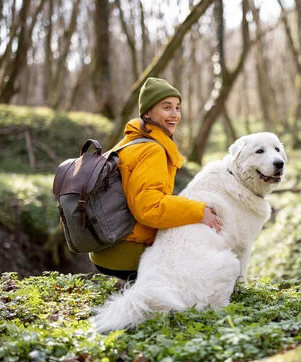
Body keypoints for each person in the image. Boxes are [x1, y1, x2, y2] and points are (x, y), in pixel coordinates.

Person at [89, 77, 222, 280]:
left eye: (177, 107)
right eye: (166, 107)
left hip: (105, 247)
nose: (175, 115)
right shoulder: (152, 149)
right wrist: (199, 211)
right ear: (148, 112)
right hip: (126, 252)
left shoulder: (130, 142)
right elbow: (149, 208)